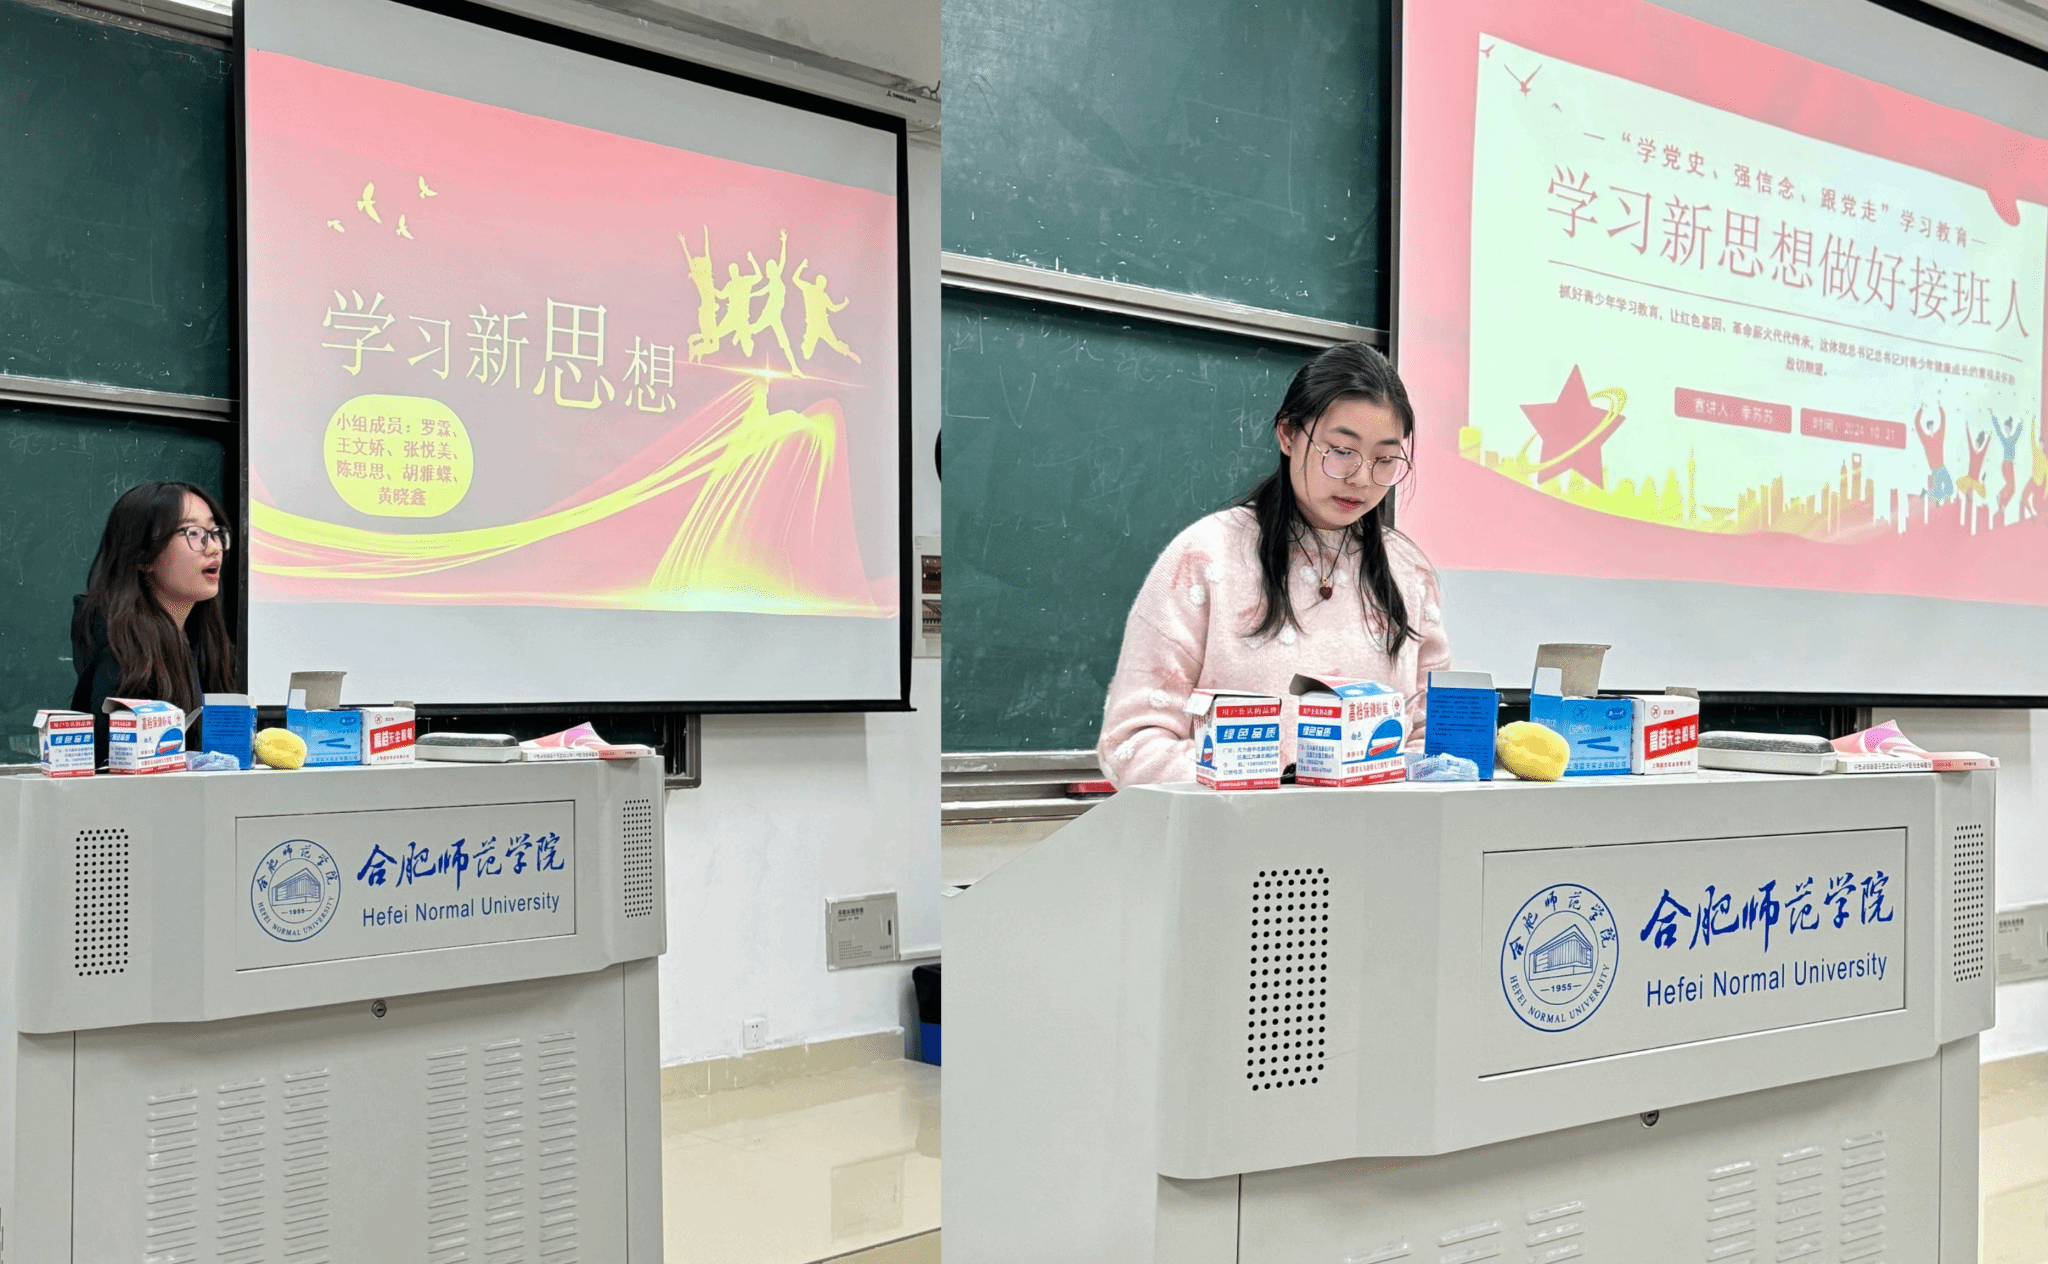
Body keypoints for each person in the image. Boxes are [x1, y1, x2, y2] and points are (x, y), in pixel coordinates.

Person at [1097, 342, 1451, 787]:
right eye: (1341, 450)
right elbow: (1133, 742)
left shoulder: (1407, 572)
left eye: (1384, 459)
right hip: (1231, 827)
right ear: (1288, 435)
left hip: (1373, 827)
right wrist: (1266, 789)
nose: (1362, 478)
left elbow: (1431, 736)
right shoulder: (1206, 557)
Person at [70, 481, 237, 762]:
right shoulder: (119, 654)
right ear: (143, 556)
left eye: (215, 532)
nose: (214, 548)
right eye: (193, 533)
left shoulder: (201, 639)